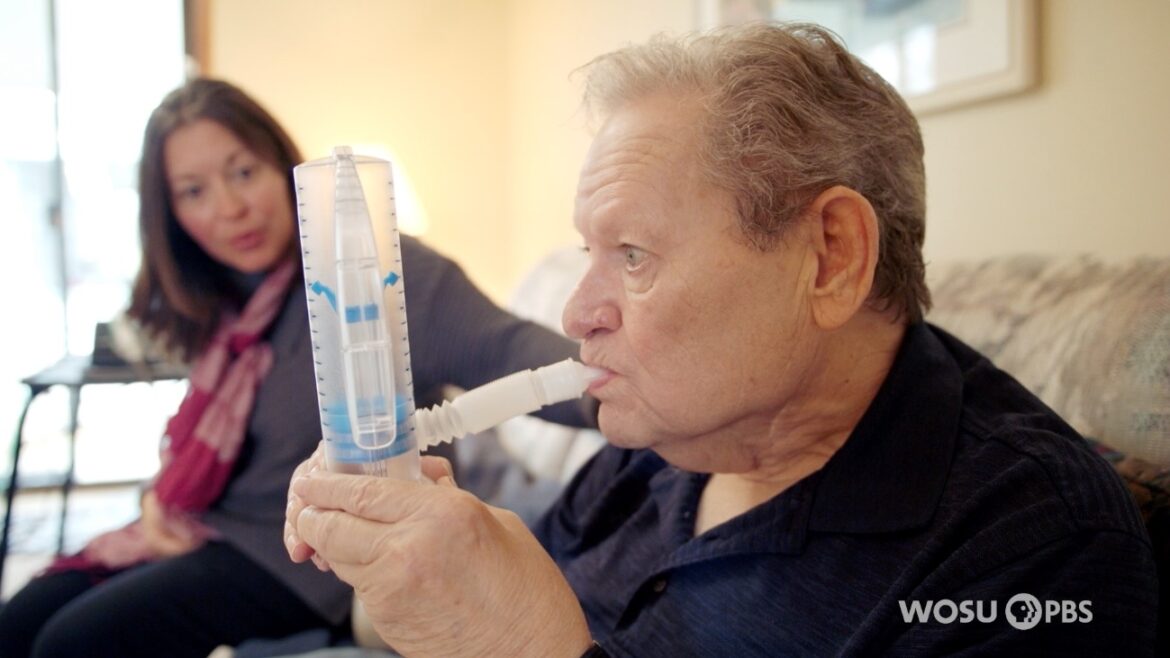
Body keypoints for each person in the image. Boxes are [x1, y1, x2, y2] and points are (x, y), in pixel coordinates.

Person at [283, 22, 1158, 657]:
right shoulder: (663, 442)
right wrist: (423, 564)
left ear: (830, 257)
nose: (578, 310)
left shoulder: (1037, 552)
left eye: (632, 255)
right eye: (589, 253)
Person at [0, 78, 594, 658]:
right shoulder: (227, 301)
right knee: (20, 619)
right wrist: (161, 502)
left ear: (279, 164)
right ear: (169, 213)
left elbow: (513, 350)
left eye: (243, 172)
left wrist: (619, 377)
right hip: (214, 529)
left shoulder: (380, 276)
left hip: (307, 561)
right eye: (193, 191)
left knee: (69, 641)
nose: (230, 209)